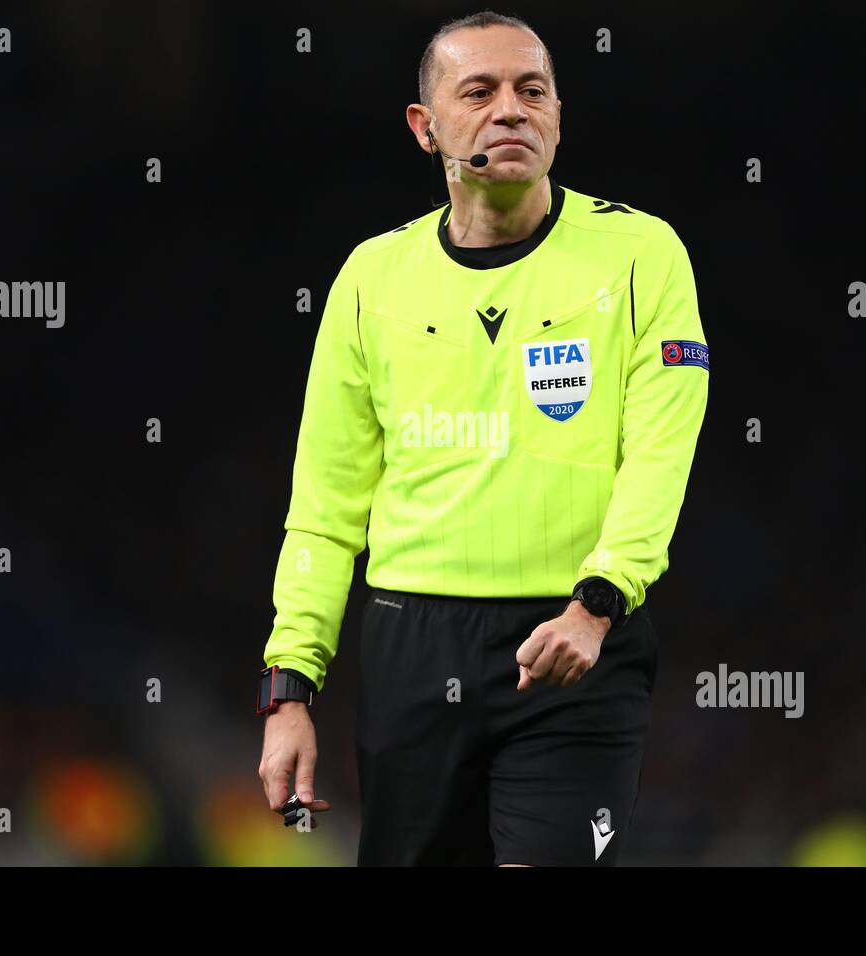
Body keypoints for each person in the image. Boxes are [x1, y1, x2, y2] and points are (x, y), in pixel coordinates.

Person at [256, 10, 710, 866]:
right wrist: (290, 690)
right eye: (479, 92)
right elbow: (324, 506)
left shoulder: (642, 254)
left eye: (532, 90)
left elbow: (660, 451)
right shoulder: (371, 277)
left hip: (575, 641)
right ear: (424, 127)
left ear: (558, 116)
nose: (511, 109)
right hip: (412, 646)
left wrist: (600, 601)